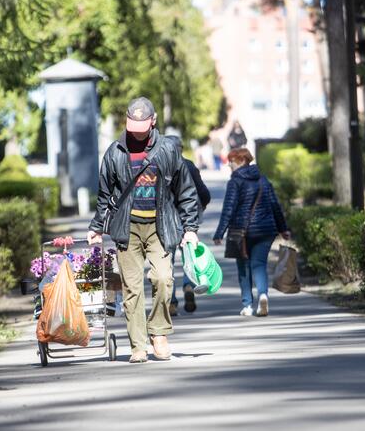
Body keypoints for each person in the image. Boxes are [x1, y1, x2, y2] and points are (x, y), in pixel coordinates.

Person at [87, 97, 200, 364]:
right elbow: (105, 195)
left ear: (153, 121)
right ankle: (138, 345)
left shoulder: (168, 150)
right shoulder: (114, 152)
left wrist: (190, 228)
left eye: (141, 126)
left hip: (160, 227)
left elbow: (186, 191)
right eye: (132, 125)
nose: (135, 132)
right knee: (132, 289)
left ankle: (159, 332)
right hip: (127, 228)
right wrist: (96, 228)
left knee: (163, 279)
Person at [213, 148, 290, 317]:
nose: (229, 165)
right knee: (259, 264)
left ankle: (247, 305)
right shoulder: (263, 180)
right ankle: (263, 295)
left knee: (243, 267)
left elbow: (229, 209)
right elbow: (275, 205)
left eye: (231, 162)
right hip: (266, 230)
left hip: (243, 231)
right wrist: (283, 228)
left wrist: (219, 233)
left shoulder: (235, 181)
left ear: (241, 161)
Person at [165, 135, 211, 315]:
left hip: (167, 221)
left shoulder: (160, 166)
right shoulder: (189, 165)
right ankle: (188, 285)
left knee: (167, 261)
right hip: (188, 220)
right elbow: (203, 192)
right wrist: (201, 206)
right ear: (181, 148)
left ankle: (171, 302)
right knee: (188, 258)